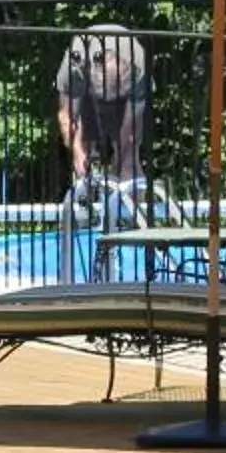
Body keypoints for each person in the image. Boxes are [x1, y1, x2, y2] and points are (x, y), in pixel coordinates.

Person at [54, 26, 150, 278]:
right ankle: (84, 212)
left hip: (127, 95)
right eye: (108, 95)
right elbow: (66, 114)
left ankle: (134, 224)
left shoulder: (138, 67)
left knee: (129, 159)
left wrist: (123, 157)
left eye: (116, 94)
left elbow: (129, 129)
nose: (110, 101)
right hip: (85, 93)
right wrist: (77, 151)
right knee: (83, 147)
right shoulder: (76, 65)